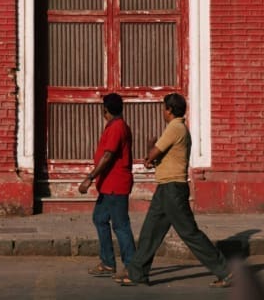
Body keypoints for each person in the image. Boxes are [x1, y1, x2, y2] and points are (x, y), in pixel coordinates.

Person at [116, 92, 232, 288]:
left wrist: (150, 149)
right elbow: (160, 157)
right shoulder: (178, 128)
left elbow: (154, 152)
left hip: (173, 189)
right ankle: (137, 273)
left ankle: (224, 270)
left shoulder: (175, 127)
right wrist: (152, 157)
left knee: (189, 233)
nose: (163, 111)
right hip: (166, 188)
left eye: (164, 108)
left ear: (169, 110)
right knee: (150, 232)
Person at [78, 92, 136, 277]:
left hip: (115, 184)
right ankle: (108, 262)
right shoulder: (115, 126)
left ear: (105, 110)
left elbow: (108, 156)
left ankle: (131, 266)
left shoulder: (117, 127)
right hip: (108, 185)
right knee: (100, 219)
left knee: (120, 225)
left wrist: (90, 177)